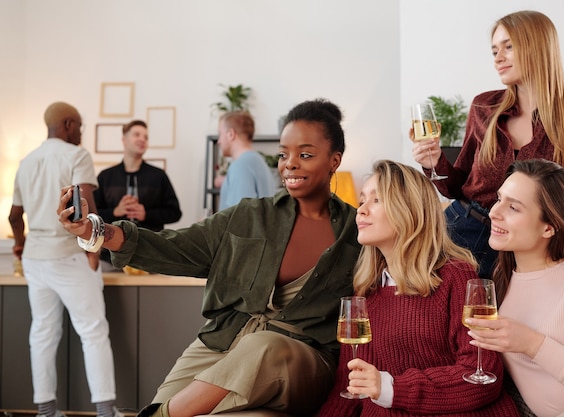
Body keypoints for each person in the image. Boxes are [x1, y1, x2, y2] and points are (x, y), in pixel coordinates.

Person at [58, 99, 361, 417]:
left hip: (301, 357)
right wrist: (96, 229)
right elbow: (175, 246)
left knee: (263, 346)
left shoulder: (357, 231)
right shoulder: (250, 215)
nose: (290, 164)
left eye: (306, 154)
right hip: (228, 338)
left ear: (334, 160)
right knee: (170, 399)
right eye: (284, 154)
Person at [317, 160, 519, 417]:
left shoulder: (456, 277)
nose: (361, 210)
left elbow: (481, 375)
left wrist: (391, 387)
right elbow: (348, 390)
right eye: (362, 200)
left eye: (376, 200)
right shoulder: (365, 294)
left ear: (410, 210)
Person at [411, 10, 564, 278]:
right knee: (463, 317)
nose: (498, 58)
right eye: (494, 51)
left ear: (537, 46)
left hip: (536, 240)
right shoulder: (484, 106)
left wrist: (533, 229)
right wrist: (433, 164)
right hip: (467, 231)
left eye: (508, 47)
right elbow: (457, 186)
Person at [466, 159, 564, 417]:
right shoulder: (502, 277)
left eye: (514, 207)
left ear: (549, 227)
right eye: (499, 199)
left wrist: (532, 343)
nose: (494, 212)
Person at [8, 102, 120, 417]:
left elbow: (15, 216)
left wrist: (20, 244)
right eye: (80, 126)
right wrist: (94, 253)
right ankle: (106, 411)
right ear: (68, 124)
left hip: (36, 259)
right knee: (93, 330)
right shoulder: (76, 156)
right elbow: (87, 210)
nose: (81, 133)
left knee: (42, 331)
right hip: (69, 256)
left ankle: (46, 410)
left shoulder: (26, 161)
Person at [93, 119, 182, 270]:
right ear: (124, 140)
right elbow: (92, 216)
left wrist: (146, 214)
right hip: (110, 257)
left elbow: (174, 213)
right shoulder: (105, 176)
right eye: (137, 135)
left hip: (152, 256)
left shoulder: (158, 176)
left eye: (146, 137)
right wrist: (114, 212)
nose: (142, 139)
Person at [214, 110, 278, 211]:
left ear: (231, 134)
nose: (219, 141)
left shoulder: (240, 166)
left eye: (220, 134)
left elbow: (241, 219)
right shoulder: (258, 162)